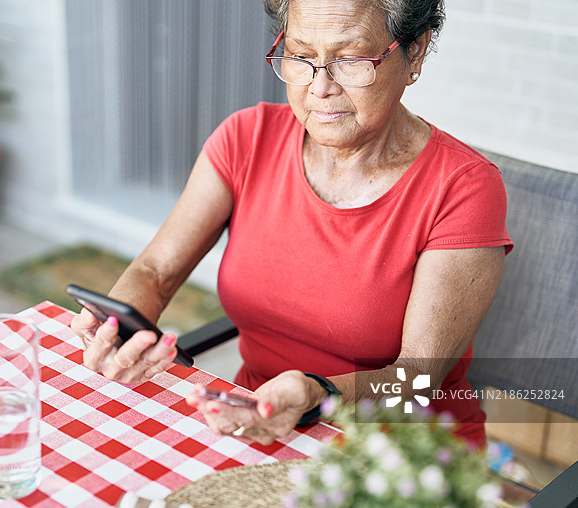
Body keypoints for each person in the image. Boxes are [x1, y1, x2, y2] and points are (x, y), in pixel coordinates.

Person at [71, 0, 512, 448]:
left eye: (351, 60)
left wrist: (320, 393)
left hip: (404, 460)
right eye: (301, 56)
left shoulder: (464, 188)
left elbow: (418, 377)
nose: (320, 87)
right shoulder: (246, 139)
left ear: (415, 53)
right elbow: (154, 273)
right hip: (259, 422)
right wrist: (117, 327)